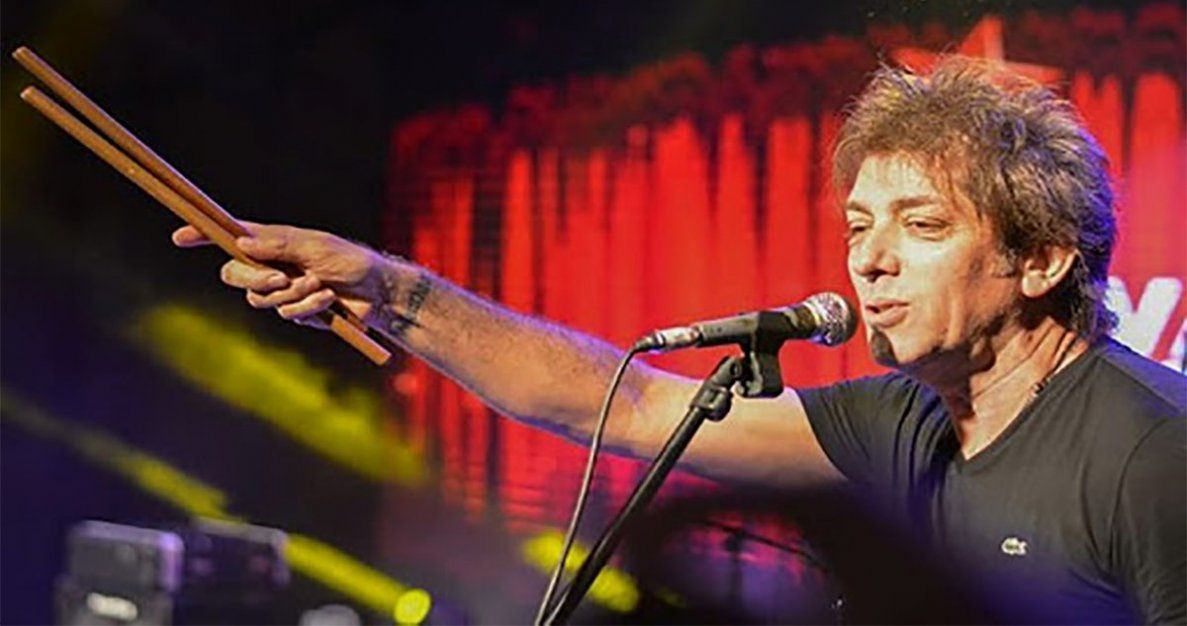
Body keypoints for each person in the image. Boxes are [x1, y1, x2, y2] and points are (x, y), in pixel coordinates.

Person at [173, 56, 1185, 623]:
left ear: (1040, 260)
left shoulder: (1150, 453)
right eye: (856, 227)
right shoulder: (899, 421)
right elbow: (624, 402)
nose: (869, 261)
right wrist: (390, 288)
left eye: (920, 225)